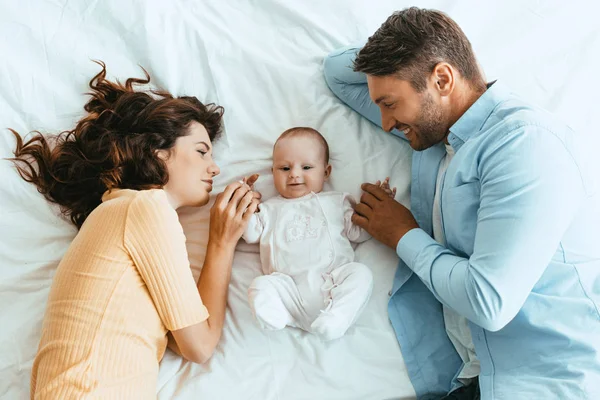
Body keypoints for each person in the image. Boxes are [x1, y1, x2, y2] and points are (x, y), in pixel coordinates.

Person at [323, 7, 600, 400]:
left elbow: (488, 302)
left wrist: (403, 234)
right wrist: (403, 54)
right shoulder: (440, 135)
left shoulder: (524, 144)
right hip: (471, 381)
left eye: (389, 104)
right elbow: (336, 71)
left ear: (442, 79)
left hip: (545, 384)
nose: (385, 123)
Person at [8, 62, 260, 399]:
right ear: (158, 151)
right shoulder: (145, 208)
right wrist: (222, 240)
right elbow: (198, 346)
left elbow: (183, 337)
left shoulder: (121, 211)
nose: (214, 167)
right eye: (201, 151)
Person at [242, 127, 394, 340]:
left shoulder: (337, 202)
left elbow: (359, 233)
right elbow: (249, 233)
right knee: (261, 285)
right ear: (273, 171)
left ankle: (337, 319)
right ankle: (274, 314)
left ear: (326, 172)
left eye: (306, 167)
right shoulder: (269, 209)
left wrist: (380, 205)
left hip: (332, 286)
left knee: (361, 274)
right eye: (284, 168)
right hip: (289, 291)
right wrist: (245, 204)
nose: (294, 174)